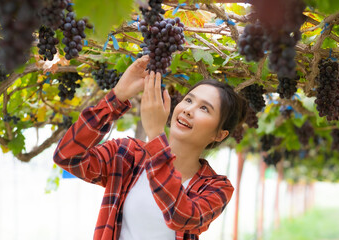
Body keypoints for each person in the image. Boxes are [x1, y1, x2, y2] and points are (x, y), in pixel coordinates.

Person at [53, 55, 247, 240]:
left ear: (219, 135)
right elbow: (67, 156)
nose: (188, 109)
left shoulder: (216, 188)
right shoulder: (128, 154)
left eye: (204, 108)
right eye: (189, 100)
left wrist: (156, 136)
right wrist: (117, 97)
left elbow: (180, 216)